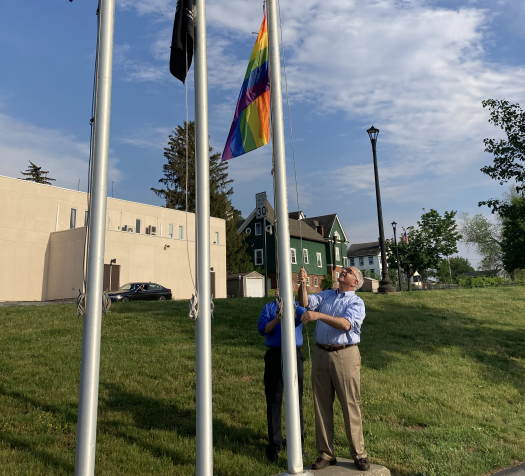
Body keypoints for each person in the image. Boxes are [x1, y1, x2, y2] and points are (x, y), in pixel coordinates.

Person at [298, 266, 370, 471]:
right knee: (321, 404)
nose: (343, 271)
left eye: (348, 271)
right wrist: (302, 284)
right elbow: (305, 302)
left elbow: (346, 324)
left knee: (350, 404)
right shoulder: (328, 294)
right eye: (344, 269)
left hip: (345, 354)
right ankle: (326, 453)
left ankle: (359, 454)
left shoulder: (356, 301)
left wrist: (318, 316)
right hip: (321, 354)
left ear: (354, 282)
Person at [258, 289, 306, 463]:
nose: (280, 290)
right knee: (274, 401)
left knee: (297, 401)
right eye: (277, 287)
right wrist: (278, 317)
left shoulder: (297, 307)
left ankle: (299, 446)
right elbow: (263, 329)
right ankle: (274, 446)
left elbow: (303, 317)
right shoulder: (269, 308)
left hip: (294, 354)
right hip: (274, 356)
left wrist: (292, 310)